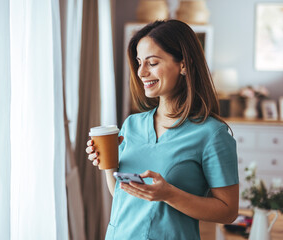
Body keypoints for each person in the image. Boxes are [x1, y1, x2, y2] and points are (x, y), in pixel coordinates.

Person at [86, 19, 239, 240]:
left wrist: (169, 195)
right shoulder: (132, 124)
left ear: (183, 64)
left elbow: (228, 211)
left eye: (152, 62)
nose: (141, 72)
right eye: (139, 62)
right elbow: (122, 194)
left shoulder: (212, 134)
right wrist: (107, 163)